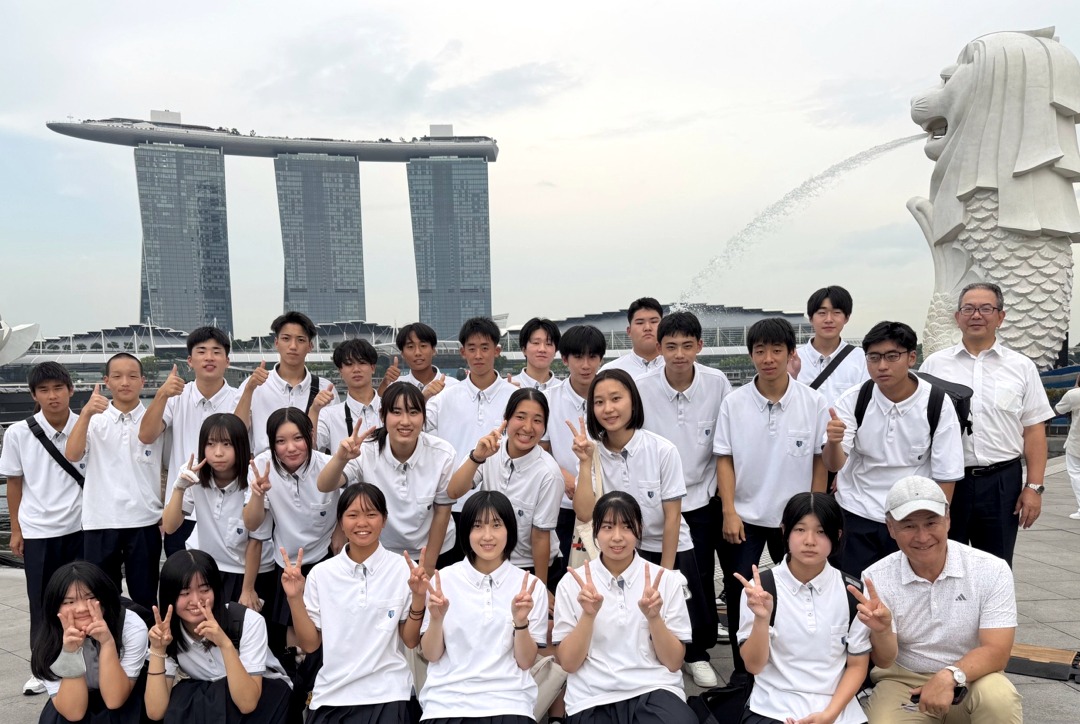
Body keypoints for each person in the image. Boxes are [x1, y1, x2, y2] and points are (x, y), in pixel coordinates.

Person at [570, 369, 715, 686]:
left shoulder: (662, 450)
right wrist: (584, 463)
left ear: (633, 402)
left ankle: (695, 657)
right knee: (632, 614)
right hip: (620, 548)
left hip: (666, 544)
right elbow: (584, 513)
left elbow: (673, 516)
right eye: (599, 402)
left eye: (616, 398)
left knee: (680, 607)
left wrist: (666, 573)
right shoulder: (592, 452)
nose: (608, 408)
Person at [713, 318, 829, 683]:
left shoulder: (812, 402)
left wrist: (814, 515)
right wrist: (729, 511)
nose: (768, 358)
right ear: (751, 354)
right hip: (745, 516)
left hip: (794, 519)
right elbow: (724, 459)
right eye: (760, 351)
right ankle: (743, 673)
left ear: (791, 353)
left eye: (777, 350)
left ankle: (794, 662)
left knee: (801, 589)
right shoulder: (734, 403)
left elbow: (819, 460)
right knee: (740, 592)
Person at [863, 476, 1022, 722]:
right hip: (904, 680)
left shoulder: (992, 569)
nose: (922, 536)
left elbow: (997, 651)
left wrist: (950, 675)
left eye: (931, 522)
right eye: (908, 526)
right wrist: (882, 631)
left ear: (948, 519)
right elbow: (884, 661)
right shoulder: (876, 577)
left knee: (999, 698)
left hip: (972, 677)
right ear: (890, 528)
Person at [920, 282, 1054, 565]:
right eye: (968, 309)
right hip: (948, 481)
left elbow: (1034, 430)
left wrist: (1034, 487)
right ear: (957, 317)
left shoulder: (1021, 367)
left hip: (1002, 483)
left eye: (985, 309)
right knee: (943, 563)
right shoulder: (934, 365)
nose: (976, 315)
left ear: (1000, 317)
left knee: (997, 565)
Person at [824, 321, 964, 576]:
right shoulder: (854, 399)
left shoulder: (936, 402)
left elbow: (946, 473)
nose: (882, 366)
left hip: (912, 515)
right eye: (874, 357)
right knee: (855, 587)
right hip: (858, 511)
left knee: (912, 587)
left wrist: (937, 523)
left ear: (911, 357)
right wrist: (834, 442)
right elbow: (834, 464)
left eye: (892, 356)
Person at [280, 482, 428, 724]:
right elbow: (310, 644)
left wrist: (419, 597)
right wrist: (294, 597)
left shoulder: (403, 569)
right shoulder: (321, 574)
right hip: (332, 695)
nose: (362, 523)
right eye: (353, 515)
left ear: (384, 519)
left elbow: (411, 640)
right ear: (340, 521)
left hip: (389, 694)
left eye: (371, 514)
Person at [637, 311, 731, 687]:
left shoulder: (717, 383)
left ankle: (697, 652)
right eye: (671, 346)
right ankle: (649, 647)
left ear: (699, 347)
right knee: (651, 576)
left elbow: (725, 442)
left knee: (699, 578)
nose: (679, 354)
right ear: (659, 348)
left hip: (699, 499)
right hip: (654, 502)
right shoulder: (641, 387)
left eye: (687, 346)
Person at [735, 492, 879, 724]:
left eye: (821, 532)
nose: (810, 540)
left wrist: (829, 715)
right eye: (800, 529)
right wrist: (762, 619)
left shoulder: (852, 592)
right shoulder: (761, 589)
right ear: (784, 531)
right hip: (772, 708)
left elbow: (856, 665)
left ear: (837, 536)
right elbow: (753, 665)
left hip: (838, 712)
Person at [553, 491, 696, 724]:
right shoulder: (571, 584)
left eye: (627, 527)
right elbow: (568, 663)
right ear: (595, 531)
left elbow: (673, 662)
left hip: (654, 688)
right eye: (608, 527)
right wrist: (588, 616)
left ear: (639, 529)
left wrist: (654, 618)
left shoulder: (664, 581)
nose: (617, 537)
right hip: (592, 695)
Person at [419, 491, 549, 724]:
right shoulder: (443, 580)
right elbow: (431, 654)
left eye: (496, 525)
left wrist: (520, 623)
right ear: (466, 531)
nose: (487, 536)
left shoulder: (531, 586)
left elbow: (526, 661)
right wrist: (436, 620)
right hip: (446, 705)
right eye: (477, 526)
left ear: (509, 530)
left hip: (510, 703)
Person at [0, 362, 86, 696]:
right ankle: (42, 668)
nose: (52, 396)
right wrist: (17, 529)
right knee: (41, 602)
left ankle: (86, 661)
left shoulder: (87, 425)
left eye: (58, 388)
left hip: (81, 526)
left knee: (84, 598)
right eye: (44, 390)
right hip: (38, 531)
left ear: (71, 390)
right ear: (34, 395)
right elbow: (14, 483)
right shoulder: (18, 433)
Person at [317, 382, 457, 573]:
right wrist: (341, 458)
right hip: (383, 553)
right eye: (396, 412)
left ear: (424, 417)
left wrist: (428, 567)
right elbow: (325, 485)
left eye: (413, 412)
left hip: (435, 551)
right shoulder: (366, 450)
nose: (405, 421)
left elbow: (442, 511)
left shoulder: (442, 453)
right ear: (383, 415)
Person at [65, 353, 164, 611]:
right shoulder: (94, 419)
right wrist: (86, 413)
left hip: (143, 520)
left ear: (143, 381)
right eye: (117, 376)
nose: (125, 382)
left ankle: (147, 638)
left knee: (145, 597)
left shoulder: (155, 420)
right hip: (100, 520)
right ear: (106, 381)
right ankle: (108, 638)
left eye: (132, 376)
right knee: (101, 598)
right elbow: (72, 454)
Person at [144, 551, 292, 723]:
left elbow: (248, 703)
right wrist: (158, 649)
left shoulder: (247, 621)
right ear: (170, 596)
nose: (196, 601)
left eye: (204, 590)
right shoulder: (169, 635)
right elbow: (155, 712)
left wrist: (225, 644)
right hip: (217, 701)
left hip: (263, 699)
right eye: (185, 593)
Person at [242, 407, 341, 654]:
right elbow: (252, 523)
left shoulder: (328, 465)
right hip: (286, 560)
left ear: (310, 436)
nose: (291, 448)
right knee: (290, 626)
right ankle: (295, 671)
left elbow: (351, 503)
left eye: (298, 438)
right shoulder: (261, 466)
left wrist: (340, 531)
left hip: (324, 556)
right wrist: (257, 494)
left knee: (327, 625)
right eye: (281, 441)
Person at [139, 326, 241, 556]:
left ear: (227, 361)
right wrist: (162, 394)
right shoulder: (176, 398)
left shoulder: (238, 399)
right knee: (181, 575)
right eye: (201, 351)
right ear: (190, 361)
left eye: (216, 351)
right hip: (181, 511)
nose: (209, 357)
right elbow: (146, 435)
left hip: (227, 510)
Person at [448, 389, 564, 587]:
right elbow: (454, 492)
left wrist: (540, 587)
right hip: (490, 561)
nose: (528, 427)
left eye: (537, 420)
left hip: (529, 566)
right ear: (506, 419)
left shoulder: (549, 474)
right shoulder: (490, 450)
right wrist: (477, 457)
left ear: (545, 427)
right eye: (520, 417)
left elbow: (540, 536)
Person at [160, 413, 274, 611]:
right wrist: (179, 487)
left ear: (240, 446)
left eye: (227, 444)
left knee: (243, 625)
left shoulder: (255, 478)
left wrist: (248, 589)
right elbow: (169, 527)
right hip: (208, 568)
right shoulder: (193, 474)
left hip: (250, 571)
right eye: (210, 444)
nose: (218, 453)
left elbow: (255, 539)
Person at [30, 561, 148, 724]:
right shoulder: (48, 639)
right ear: (55, 607)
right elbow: (74, 713)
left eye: (90, 598)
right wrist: (71, 654)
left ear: (105, 598)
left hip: (123, 695)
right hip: (73, 697)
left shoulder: (131, 626)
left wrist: (107, 642)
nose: (81, 609)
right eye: (69, 602)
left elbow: (115, 700)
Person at [426, 317, 516, 511]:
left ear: (496, 351)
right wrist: (423, 397)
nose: (478, 355)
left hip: (500, 502)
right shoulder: (444, 398)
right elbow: (412, 426)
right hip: (452, 502)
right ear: (463, 352)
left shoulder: (515, 398)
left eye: (485, 348)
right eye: (472, 348)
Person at [540, 325, 606, 562]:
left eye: (592, 357)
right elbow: (539, 450)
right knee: (564, 570)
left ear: (601, 359)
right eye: (578, 357)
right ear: (565, 359)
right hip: (563, 503)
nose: (586, 365)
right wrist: (563, 476)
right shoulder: (548, 399)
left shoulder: (612, 398)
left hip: (606, 502)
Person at [235, 311, 338, 455]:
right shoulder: (254, 385)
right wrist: (249, 390)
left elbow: (323, 442)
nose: (293, 346)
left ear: (310, 346)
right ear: (276, 343)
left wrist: (315, 410)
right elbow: (236, 431)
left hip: (309, 466)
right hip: (265, 465)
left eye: (300, 340)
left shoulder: (325, 389)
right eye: (286, 339)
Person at [795, 286, 869, 406]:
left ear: (847, 317)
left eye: (836, 313)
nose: (829, 319)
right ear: (811, 318)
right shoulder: (793, 359)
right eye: (822, 313)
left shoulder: (861, 359)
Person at [312, 338, 382, 454]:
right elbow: (309, 445)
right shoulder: (329, 415)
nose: (356, 369)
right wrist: (314, 410)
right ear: (340, 371)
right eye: (349, 364)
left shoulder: (393, 409)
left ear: (372, 368)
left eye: (362, 362)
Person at [379, 322, 459, 399]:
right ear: (402, 354)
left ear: (433, 350)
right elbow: (378, 405)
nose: (417, 353)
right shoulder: (395, 387)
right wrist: (385, 383)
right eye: (410, 347)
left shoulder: (453, 386)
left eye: (423, 346)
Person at [600, 297, 665, 379]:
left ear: (663, 327)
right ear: (629, 331)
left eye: (654, 321)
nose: (647, 328)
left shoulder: (677, 367)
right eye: (640, 323)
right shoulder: (610, 371)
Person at [1054, 374, 1080, 520]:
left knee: (1076, 474)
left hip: (1077, 443)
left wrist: (1076, 387)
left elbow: (1057, 411)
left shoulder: (1074, 395)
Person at [513, 317, 563, 391]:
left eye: (548, 344)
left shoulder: (564, 390)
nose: (542, 349)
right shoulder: (508, 387)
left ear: (555, 351)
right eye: (536, 343)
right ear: (524, 349)